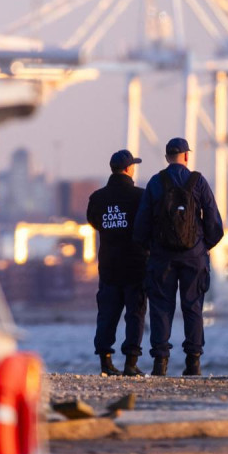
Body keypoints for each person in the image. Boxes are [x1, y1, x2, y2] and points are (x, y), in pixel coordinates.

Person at [133, 137, 224, 377]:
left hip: (162, 257)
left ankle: (160, 363)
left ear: (166, 158)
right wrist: (203, 246)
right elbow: (214, 220)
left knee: (161, 308)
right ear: (186, 156)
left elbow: (141, 224)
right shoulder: (198, 181)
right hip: (194, 257)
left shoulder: (155, 182)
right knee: (193, 307)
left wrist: (151, 247)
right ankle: (193, 363)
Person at [86, 149, 149, 376]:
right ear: (129, 168)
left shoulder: (98, 198)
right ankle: (131, 363)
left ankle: (106, 362)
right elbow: (148, 225)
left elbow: (94, 222)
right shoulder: (141, 197)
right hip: (136, 265)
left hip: (109, 266)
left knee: (107, 314)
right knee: (135, 314)